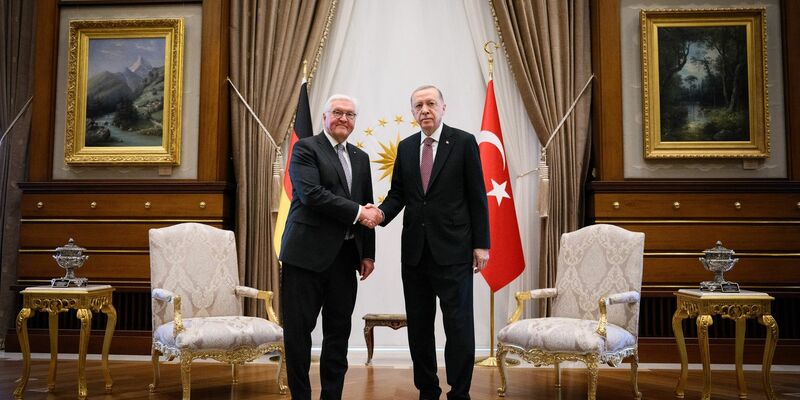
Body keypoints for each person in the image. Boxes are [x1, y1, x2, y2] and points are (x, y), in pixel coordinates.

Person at [373, 85, 490, 400]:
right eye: (418, 105)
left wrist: (482, 244)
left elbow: (477, 196)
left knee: (459, 326)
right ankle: (427, 388)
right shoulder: (407, 147)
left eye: (430, 104)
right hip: (415, 253)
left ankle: (459, 391)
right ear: (412, 112)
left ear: (443, 107)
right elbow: (398, 194)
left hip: (454, 250)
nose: (424, 110)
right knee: (420, 328)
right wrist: (380, 214)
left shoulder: (463, 142)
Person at [280, 94, 383, 400]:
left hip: (345, 259)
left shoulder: (361, 158)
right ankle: (300, 396)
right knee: (298, 335)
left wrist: (367, 253)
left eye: (350, 115)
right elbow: (312, 194)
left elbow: (367, 206)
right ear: (325, 117)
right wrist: (358, 212)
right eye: (337, 112)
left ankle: (331, 396)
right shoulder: (305, 148)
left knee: (338, 335)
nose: (344, 118)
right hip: (304, 257)